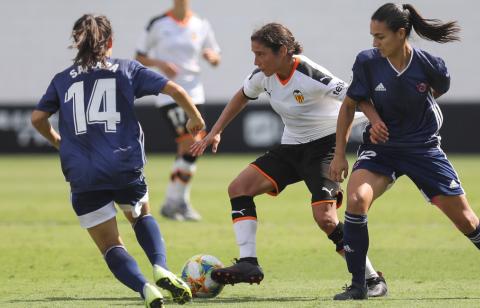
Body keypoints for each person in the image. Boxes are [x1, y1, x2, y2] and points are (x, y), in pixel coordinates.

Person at [330, 3, 480, 300]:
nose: (374, 43)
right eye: (372, 36)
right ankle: (360, 285)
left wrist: (413, 113)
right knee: (357, 199)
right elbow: (352, 103)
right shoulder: (367, 62)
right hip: (381, 149)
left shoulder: (431, 66)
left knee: (466, 220)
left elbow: (437, 90)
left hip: (422, 149)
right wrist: (341, 152)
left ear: (401, 34)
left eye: (380, 36)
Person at [190, 22, 388, 297]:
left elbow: (355, 96)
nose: (255, 61)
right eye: (254, 54)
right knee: (238, 188)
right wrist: (214, 132)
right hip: (292, 147)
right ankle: (249, 263)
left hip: (325, 147)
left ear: (283, 51)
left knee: (326, 218)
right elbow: (241, 96)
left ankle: (372, 279)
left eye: (261, 54)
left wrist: (374, 121)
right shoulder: (263, 75)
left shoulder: (310, 74)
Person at [31, 14, 205, 307]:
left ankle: (144, 288)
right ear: (110, 42)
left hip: (82, 173)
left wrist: (58, 142)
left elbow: (37, 118)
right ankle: (160, 267)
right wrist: (194, 117)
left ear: (77, 44)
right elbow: (174, 89)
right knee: (140, 216)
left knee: (111, 244)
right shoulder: (126, 69)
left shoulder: (62, 80)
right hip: (123, 164)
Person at [136, 0, 221, 222]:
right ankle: (176, 202)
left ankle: (175, 202)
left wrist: (212, 58)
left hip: (195, 93)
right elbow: (140, 56)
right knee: (189, 144)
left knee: (191, 148)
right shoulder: (158, 23)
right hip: (170, 93)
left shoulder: (201, 23)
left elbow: (215, 54)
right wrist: (160, 64)